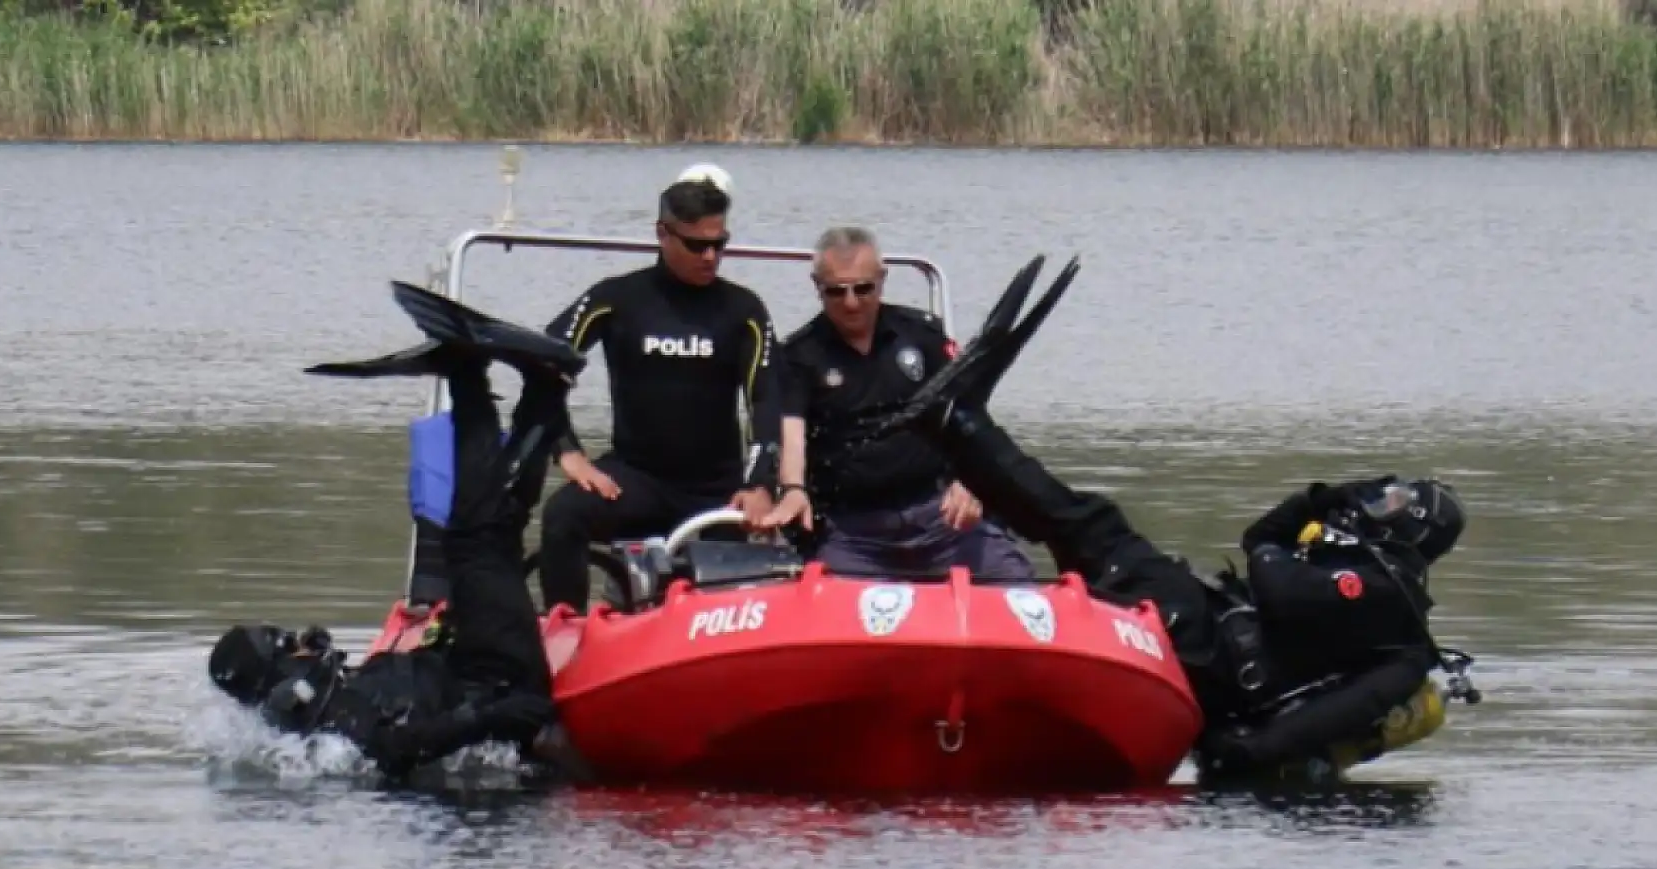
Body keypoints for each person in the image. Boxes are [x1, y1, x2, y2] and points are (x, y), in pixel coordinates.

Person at [855, 254, 1474, 780]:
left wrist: (1249, 753)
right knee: (1080, 529)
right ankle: (956, 431)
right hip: (1201, 628)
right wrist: (1320, 499)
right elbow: (1261, 536)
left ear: (1414, 530)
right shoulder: (1364, 568)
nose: (1379, 504)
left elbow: (1278, 594)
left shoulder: (1387, 611)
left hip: (1204, 654)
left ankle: (957, 426)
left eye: (1393, 503)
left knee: (1087, 526)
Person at [207, 282, 591, 781]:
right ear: (278, 677)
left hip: (476, 663)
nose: (303, 638)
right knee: (476, 540)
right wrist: (493, 715)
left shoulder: (326, 704)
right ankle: (485, 376)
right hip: (498, 684)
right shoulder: (335, 724)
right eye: (285, 642)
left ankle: (512, 381)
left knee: (488, 532)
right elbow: (396, 747)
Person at [537, 164, 781, 616]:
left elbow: (767, 398)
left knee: (794, 526)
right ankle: (563, 639)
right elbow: (542, 360)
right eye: (697, 245)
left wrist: (760, 483)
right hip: (637, 480)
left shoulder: (744, 309)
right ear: (662, 234)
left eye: (719, 244)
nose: (710, 256)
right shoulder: (616, 298)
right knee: (562, 516)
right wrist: (566, 450)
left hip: (719, 490)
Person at [758, 225, 1034, 581]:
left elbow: (967, 410)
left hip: (939, 516)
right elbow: (791, 434)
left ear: (882, 280)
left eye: (863, 288)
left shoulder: (922, 335)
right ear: (817, 287)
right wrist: (793, 489)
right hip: (853, 531)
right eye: (836, 292)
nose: (851, 302)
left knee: (1015, 583)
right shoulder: (799, 355)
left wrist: (970, 481)